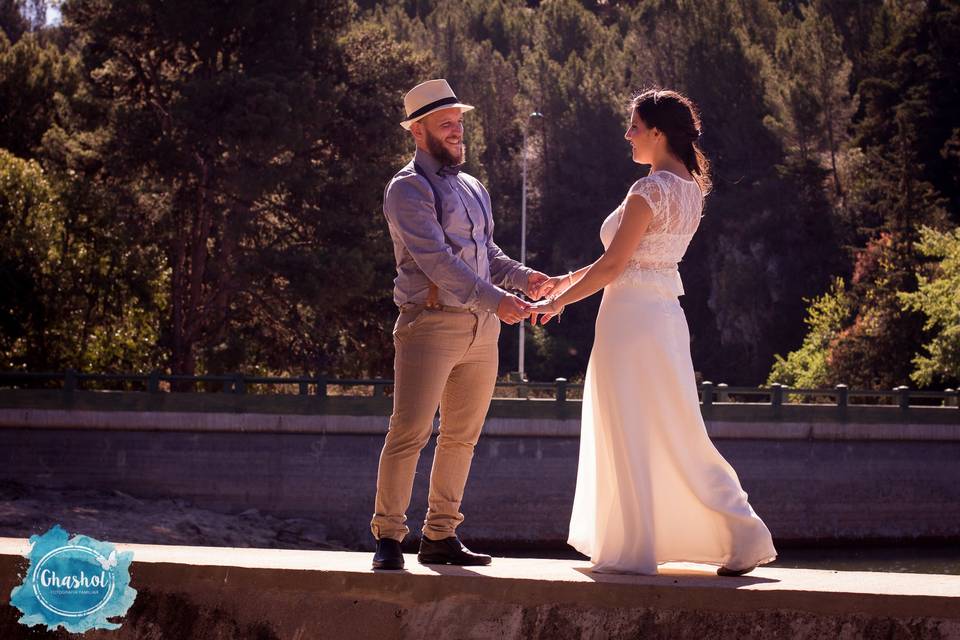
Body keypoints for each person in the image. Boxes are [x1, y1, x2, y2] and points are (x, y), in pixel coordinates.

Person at [529, 88, 777, 576]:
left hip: (630, 321)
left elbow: (615, 265)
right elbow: (627, 260)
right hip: (662, 317)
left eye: (634, 127)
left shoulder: (649, 190)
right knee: (676, 427)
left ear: (658, 133)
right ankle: (740, 534)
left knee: (633, 427)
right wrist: (564, 280)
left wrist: (559, 302)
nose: (628, 134)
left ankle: (636, 543)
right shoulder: (689, 187)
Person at [371, 79, 552, 570]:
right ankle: (388, 538)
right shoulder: (407, 188)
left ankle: (440, 535)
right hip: (429, 324)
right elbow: (438, 261)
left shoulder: (473, 186)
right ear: (418, 131)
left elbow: (485, 254)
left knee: (461, 437)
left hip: (480, 330)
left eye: (459, 122)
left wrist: (523, 277)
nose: (457, 131)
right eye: (446, 124)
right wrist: (498, 300)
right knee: (409, 430)